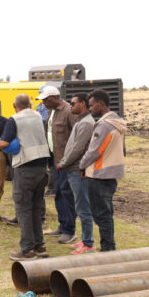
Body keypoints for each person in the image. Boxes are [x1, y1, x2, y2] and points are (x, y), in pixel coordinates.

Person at [0, 94, 50, 260]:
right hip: (42, 166)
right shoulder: (38, 116)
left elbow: (4, 143)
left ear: (14, 105)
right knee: (36, 208)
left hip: (25, 166)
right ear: (30, 104)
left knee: (23, 209)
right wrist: (2, 140)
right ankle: (40, 246)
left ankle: (27, 250)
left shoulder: (14, 119)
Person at [79, 89, 127, 252]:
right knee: (106, 213)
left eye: (92, 105)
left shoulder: (104, 126)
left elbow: (94, 151)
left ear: (101, 104)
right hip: (111, 175)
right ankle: (108, 246)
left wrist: (81, 165)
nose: (90, 108)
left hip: (99, 175)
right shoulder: (116, 122)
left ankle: (108, 248)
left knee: (101, 215)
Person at [37, 85, 78, 244]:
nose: (44, 103)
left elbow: (77, 136)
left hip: (66, 161)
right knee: (59, 192)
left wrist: (69, 159)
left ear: (54, 97)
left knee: (66, 193)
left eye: (46, 100)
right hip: (55, 159)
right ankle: (63, 225)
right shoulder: (52, 111)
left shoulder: (68, 111)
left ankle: (70, 230)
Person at [57, 93, 96, 254]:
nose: (71, 106)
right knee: (80, 206)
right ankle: (85, 240)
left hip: (78, 171)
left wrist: (64, 162)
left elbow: (78, 148)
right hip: (73, 169)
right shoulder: (81, 121)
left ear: (83, 104)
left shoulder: (86, 123)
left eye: (73, 103)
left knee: (83, 208)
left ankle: (88, 244)